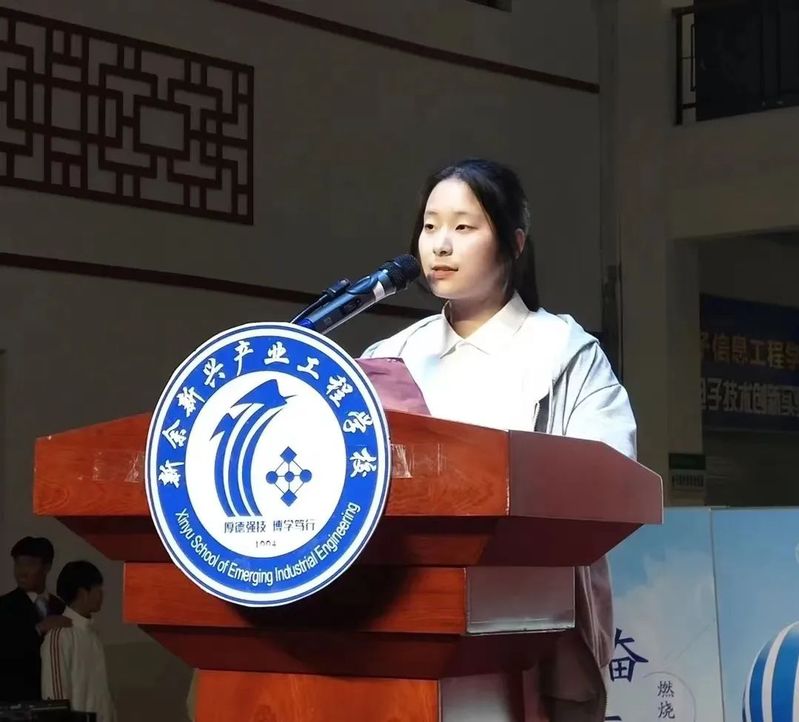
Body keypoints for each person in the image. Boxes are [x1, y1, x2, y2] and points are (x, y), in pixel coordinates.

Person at [361, 158, 636, 722]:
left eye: (463, 227)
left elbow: (609, 480)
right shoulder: (390, 357)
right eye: (430, 226)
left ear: (514, 243)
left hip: (531, 626)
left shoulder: (565, 352)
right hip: (399, 613)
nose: (440, 244)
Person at [41, 560, 116, 722]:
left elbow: (102, 696)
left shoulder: (93, 634)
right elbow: (55, 702)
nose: (102, 595)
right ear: (83, 593)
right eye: (98, 589)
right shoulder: (59, 636)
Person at [0, 536, 69, 702]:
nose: (22, 572)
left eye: (30, 564)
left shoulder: (60, 607)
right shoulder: (3, 606)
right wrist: (38, 629)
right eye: (18, 564)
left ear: (47, 567)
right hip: (15, 703)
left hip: (55, 701)